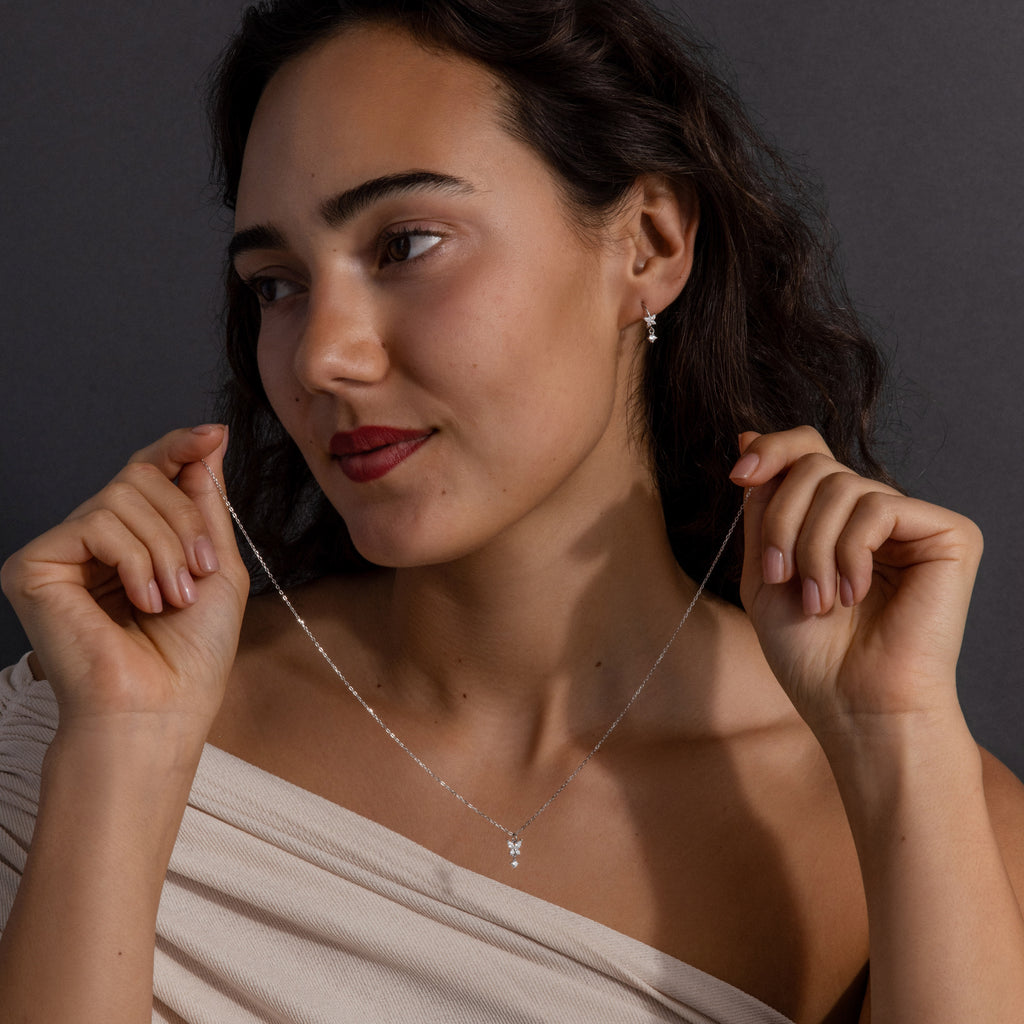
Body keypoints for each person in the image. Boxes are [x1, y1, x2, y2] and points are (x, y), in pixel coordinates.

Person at [1, 0, 1022, 1021]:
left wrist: (894, 739)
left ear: (649, 244)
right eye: (276, 285)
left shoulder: (936, 807)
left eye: (405, 242)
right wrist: (122, 754)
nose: (321, 356)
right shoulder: (91, 719)